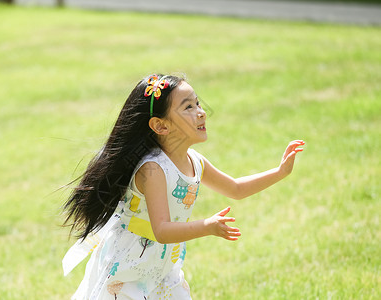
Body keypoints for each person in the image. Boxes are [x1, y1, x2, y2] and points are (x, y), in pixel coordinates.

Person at [61, 74, 304, 299]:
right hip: (129, 267)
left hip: (165, 265)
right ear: (161, 126)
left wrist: (280, 172)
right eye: (188, 107)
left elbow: (236, 189)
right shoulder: (154, 169)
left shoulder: (195, 161)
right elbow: (162, 230)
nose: (201, 112)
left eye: (198, 104)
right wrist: (206, 226)